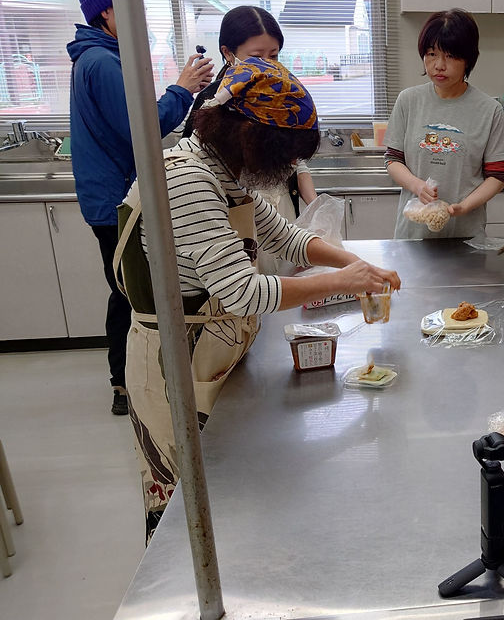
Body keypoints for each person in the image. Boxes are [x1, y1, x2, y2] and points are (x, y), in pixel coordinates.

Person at [115, 57, 400, 540]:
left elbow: (287, 237)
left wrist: (352, 262)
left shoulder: (222, 172)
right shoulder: (188, 180)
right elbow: (243, 292)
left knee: (229, 496)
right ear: (254, 139)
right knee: (184, 508)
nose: (291, 166)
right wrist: (345, 282)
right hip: (173, 364)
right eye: (287, 154)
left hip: (212, 350)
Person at [67, 0, 213, 416]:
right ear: (107, 13)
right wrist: (183, 89)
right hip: (115, 201)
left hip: (110, 197)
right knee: (131, 292)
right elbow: (145, 127)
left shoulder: (102, 58)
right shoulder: (101, 62)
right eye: (133, 6)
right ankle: (126, 383)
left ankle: (128, 381)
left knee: (126, 288)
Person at [182, 6, 316, 232]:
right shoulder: (215, 102)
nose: (267, 64)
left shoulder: (283, 91)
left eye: (273, 56)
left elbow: (294, 157)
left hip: (281, 209)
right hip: (234, 212)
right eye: (256, 57)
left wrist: (315, 207)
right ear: (228, 53)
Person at [384, 8, 504, 238]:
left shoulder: (489, 110)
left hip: (465, 236)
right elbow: (393, 160)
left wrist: (464, 207)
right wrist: (417, 186)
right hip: (412, 236)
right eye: (431, 53)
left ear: (468, 59)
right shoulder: (408, 100)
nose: (439, 65)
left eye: (451, 56)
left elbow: (497, 176)